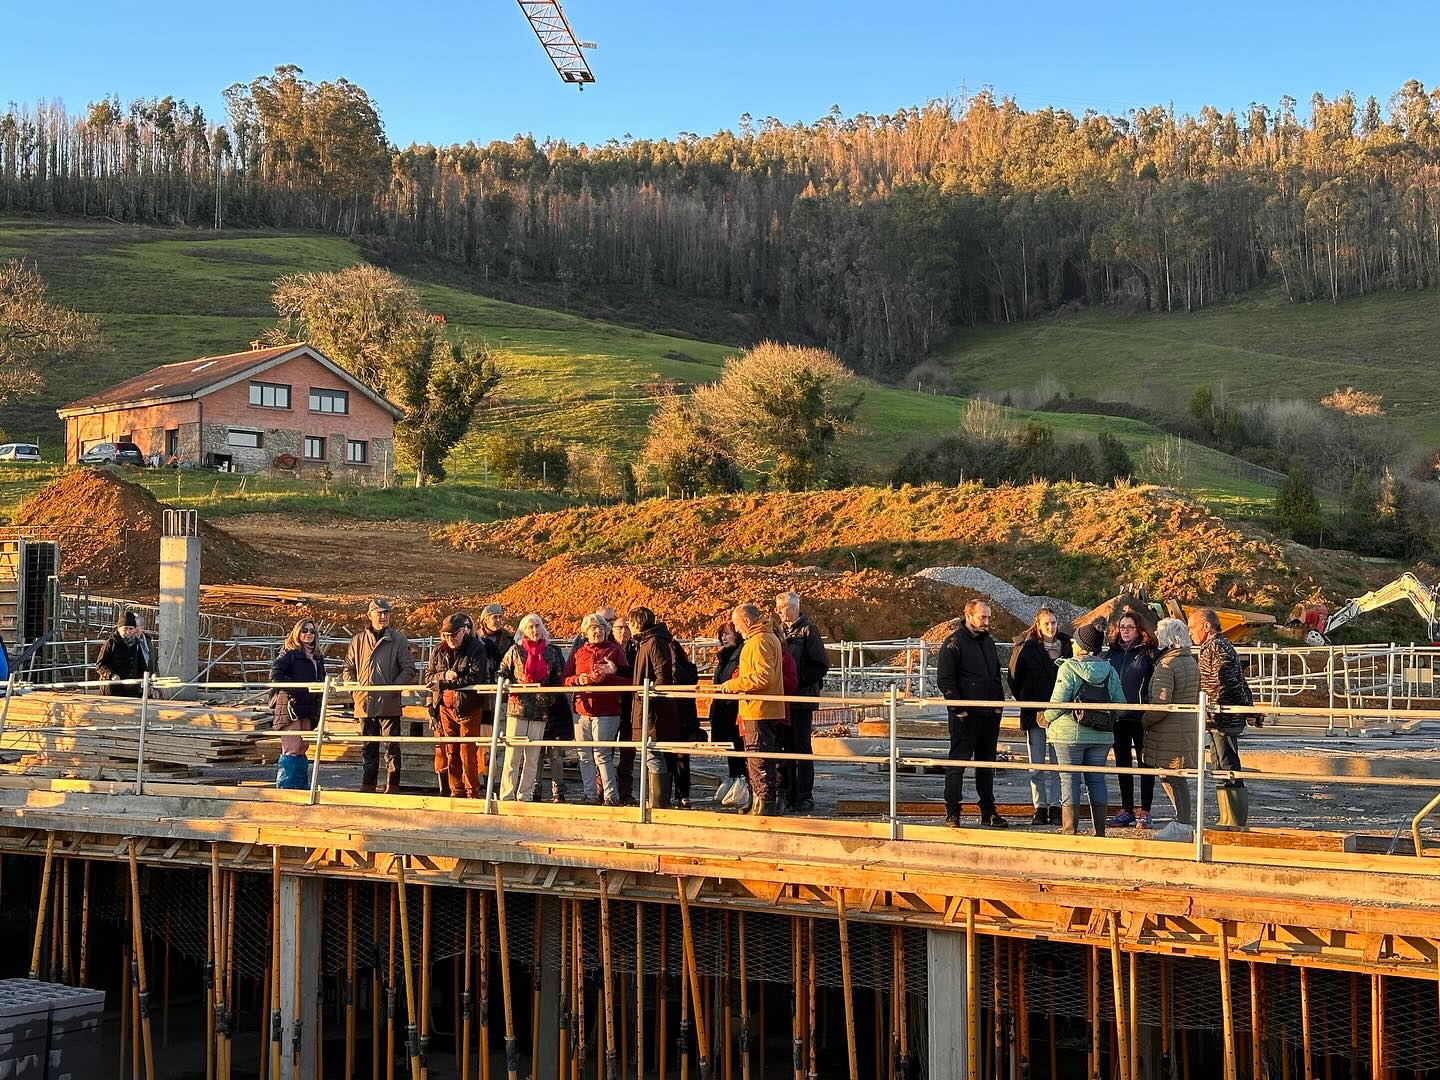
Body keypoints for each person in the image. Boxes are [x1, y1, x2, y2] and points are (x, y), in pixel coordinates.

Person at [1044, 622, 1125, 836]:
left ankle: (1070, 830)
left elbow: (1058, 704)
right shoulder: (1109, 670)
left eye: (1075, 640)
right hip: (1101, 736)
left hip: (1069, 735)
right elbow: (1121, 704)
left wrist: (1044, 718)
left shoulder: (1068, 667)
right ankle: (1099, 831)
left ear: (1080, 645)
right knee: (1097, 780)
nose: (1071, 642)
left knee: (1069, 780)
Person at [936, 600, 1008, 828]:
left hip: (989, 715)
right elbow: (945, 680)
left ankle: (988, 811)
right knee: (957, 763)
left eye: (988, 617)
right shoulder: (953, 644)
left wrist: (998, 706)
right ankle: (953, 812)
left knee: (986, 765)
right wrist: (960, 709)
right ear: (969, 616)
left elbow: (995, 675)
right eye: (982, 617)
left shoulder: (988, 643)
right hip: (965, 718)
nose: (987, 622)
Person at [1188, 608, 1259, 828]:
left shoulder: (1217, 647)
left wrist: (1248, 710)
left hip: (1224, 717)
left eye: (1192, 628)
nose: (1190, 633)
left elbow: (1231, 682)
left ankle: (1235, 819)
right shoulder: (1212, 647)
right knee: (1219, 764)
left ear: (1206, 626)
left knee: (1227, 763)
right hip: (1215, 717)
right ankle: (1226, 817)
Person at [714, 603, 785, 817]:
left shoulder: (759, 641)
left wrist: (733, 685)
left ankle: (765, 804)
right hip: (758, 708)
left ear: (746, 621)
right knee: (757, 758)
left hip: (759, 709)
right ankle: (759, 802)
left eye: (736, 624)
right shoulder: (764, 638)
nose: (736, 629)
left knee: (759, 758)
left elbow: (763, 677)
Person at [341, 599, 418, 794]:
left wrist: (393, 689)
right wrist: (355, 689)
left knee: (392, 745)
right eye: (379, 613)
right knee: (368, 745)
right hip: (365, 702)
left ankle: (393, 785)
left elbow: (408, 668)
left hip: (388, 702)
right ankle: (368, 784)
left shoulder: (399, 640)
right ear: (370, 615)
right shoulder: (358, 641)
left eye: (386, 613)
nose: (383, 617)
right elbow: (348, 668)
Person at [1008, 607, 1073, 826]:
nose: (1051, 627)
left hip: (1061, 714)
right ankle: (1039, 807)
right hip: (1035, 712)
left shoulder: (1067, 647)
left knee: (1057, 763)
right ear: (1038, 625)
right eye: (1046, 623)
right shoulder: (1026, 648)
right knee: (1036, 764)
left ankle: (1055, 806)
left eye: (1054, 623)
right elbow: (1014, 677)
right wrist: (1027, 699)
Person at [424, 612, 493, 799]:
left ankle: (472, 791)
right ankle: (456, 790)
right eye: (446, 635)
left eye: (453, 634)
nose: (450, 639)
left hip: (468, 706)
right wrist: (443, 676)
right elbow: (428, 676)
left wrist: (446, 683)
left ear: (463, 631)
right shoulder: (438, 650)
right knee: (451, 750)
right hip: (446, 707)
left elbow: (475, 677)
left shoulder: (477, 648)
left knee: (468, 750)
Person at [562, 612, 630, 805]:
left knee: (602, 753)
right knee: (584, 755)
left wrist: (610, 675)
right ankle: (589, 794)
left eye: (601, 627)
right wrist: (578, 680)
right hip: (582, 710)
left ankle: (610, 796)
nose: (597, 631)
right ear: (585, 631)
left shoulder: (614, 651)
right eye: (593, 627)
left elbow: (628, 680)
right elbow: (565, 678)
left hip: (607, 710)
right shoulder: (578, 653)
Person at [496, 614, 565, 801]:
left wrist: (548, 698)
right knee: (513, 755)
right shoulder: (515, 651)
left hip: (540, 709)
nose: (535, 630)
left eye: (538, 626)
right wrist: (507, 682)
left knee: (532, 757)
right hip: (518, 708)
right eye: (531, 627)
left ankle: (525, 794)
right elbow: (502, 671)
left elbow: (557, 679)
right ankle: (507, 794)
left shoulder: (550, 652)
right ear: (523, 630)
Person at [1143, 618, 1201, 841]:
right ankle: (1182, 822)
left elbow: (1161, 704)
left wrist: (1145, 720)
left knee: (1173, 777)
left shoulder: (1167, 665)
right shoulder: (1190, 661)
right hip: (1185, 726)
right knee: (1176, 776)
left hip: (1168, 730)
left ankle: (1182, 823)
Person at [776, 592, 828, 813]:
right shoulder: (779, 631)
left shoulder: (809, 631)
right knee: (786, 747)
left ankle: (805, 795)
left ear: (793, 608)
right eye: (777, 608)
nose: (778, 612)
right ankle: (789, 792)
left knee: (801, 746)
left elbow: (820, 664)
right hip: (785, 699)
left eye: (781, 607)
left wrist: (797, 681)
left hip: (801, 699)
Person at [1106, 611, 1159, 828]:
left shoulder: (1148, 653)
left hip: (1140, 716)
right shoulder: (1112, 653)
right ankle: (1127, 809)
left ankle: (1145, 811)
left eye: (1130, 627)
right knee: (1123, 764)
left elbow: (1154, 683)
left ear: (1138, 629)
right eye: (1123, 627)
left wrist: (1147, 705)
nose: (1126, 631)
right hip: (1118, 718)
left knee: (1146, 763)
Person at [628, 606, 681, 808]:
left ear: (637, 623)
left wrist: (648, 694)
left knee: (654, 754)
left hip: (652, 711)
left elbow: (663, 676)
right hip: (646, 708)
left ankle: (658, 804)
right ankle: (655, 801)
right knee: (651, 755)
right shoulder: (648, 642)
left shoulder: (654, 642)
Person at [269, 618, 325, 790]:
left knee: (302, 746)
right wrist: (294, 689)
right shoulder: (289, 653)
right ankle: (286, 787)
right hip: (290, 706)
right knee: (291, 748)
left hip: (307, 708)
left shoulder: (317, 657)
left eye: (311, 631)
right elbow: (275, 674)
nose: (308, 634)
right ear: (297, 633)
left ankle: (300, 786)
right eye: (304, 631)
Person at [708, 618, 751, 811]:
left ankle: (742, 780)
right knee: (730, 748)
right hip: (722, 708)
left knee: (738, 746)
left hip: (735, 708)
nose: (723, 638)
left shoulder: (741, 653)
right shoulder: (724, 656)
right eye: (722, 635)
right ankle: (734, 776)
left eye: (727, 634)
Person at [95, 610, 156, 697]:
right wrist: (111, 675)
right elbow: (100, 665)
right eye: (125, 628)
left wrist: (148, 678)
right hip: (113, 690)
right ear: (119, 629)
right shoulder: (111, 643)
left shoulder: (136, 643)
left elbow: (142, 667)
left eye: (131, 629)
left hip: (132, 690)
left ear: (135, 629)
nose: (128, 632)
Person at [611, 614, 639, 804]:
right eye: (620, 627)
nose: (624, 631)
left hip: (630, 707)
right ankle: (604, 791)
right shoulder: (608, 650)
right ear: (613, 631)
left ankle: (625, 793)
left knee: (628, 753)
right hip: (610, 707)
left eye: (627, 627)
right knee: (605, 751)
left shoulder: (637, 650)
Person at [477, 603, 515, 670]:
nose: (498, 620)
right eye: (495, 617)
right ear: (486, 620)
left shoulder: (509, 638)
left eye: (500, 617)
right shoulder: (476, 638)